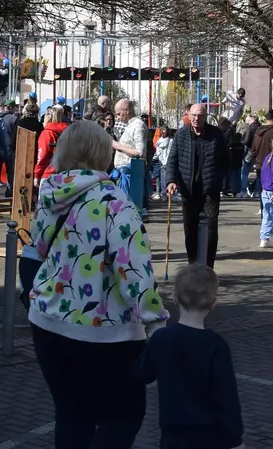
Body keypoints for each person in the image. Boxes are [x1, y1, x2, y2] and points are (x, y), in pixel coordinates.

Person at [31, 121, 168, 449]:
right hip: (104, 331)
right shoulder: (116, 202)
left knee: (71, 414)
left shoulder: (50, 193)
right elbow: (134, 270)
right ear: (102, 153)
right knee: (123, 415)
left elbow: (38, 245)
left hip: (47, 320)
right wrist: (157, 323)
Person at [133, 264, 246, 449]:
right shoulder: (215, 345)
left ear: (175, 298)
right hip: (208, 434)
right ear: (213, 304)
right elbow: (226, 398)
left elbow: (142, 373)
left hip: (172, 431)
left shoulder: (162, 339)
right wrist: (234, 439)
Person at [164, 103, 227, 267]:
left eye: (199, 116)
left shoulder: (215, 134)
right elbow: (172, 160)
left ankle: (208, 266)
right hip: (188, 190)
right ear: (188, 115)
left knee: (211, 228)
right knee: (190, 229)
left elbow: (226, 160)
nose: (196, 119)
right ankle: (192, 264)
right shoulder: (181, 134)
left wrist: (218, 179)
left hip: (209, 190)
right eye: (193, 115)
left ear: (205, 117)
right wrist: (171, 181)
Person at [112, 98, 149, 212]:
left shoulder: (137, 126)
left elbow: (140, 152)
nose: (117, 117)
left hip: (131, 177)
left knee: (128, 210)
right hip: (125, 174)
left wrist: (118, 146)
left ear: (126, 110)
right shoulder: (130, 125)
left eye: (119, 114)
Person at [34, 104, 70, 184]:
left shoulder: (47, 133)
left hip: (50, 175)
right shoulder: (69, 131)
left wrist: (37, 175)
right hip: (68, 174)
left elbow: (42, 156)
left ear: (47, 118)